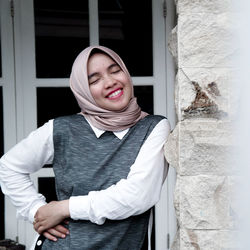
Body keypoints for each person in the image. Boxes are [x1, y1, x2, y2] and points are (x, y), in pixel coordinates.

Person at [0, 46, 170, 250]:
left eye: (115, 70)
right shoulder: (62, 129)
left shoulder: (153, 127)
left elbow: (137, 195)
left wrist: (64, 208)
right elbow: (9, 166)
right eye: (94, 80)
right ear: (83, 89)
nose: (110, 82)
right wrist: (36, 211)